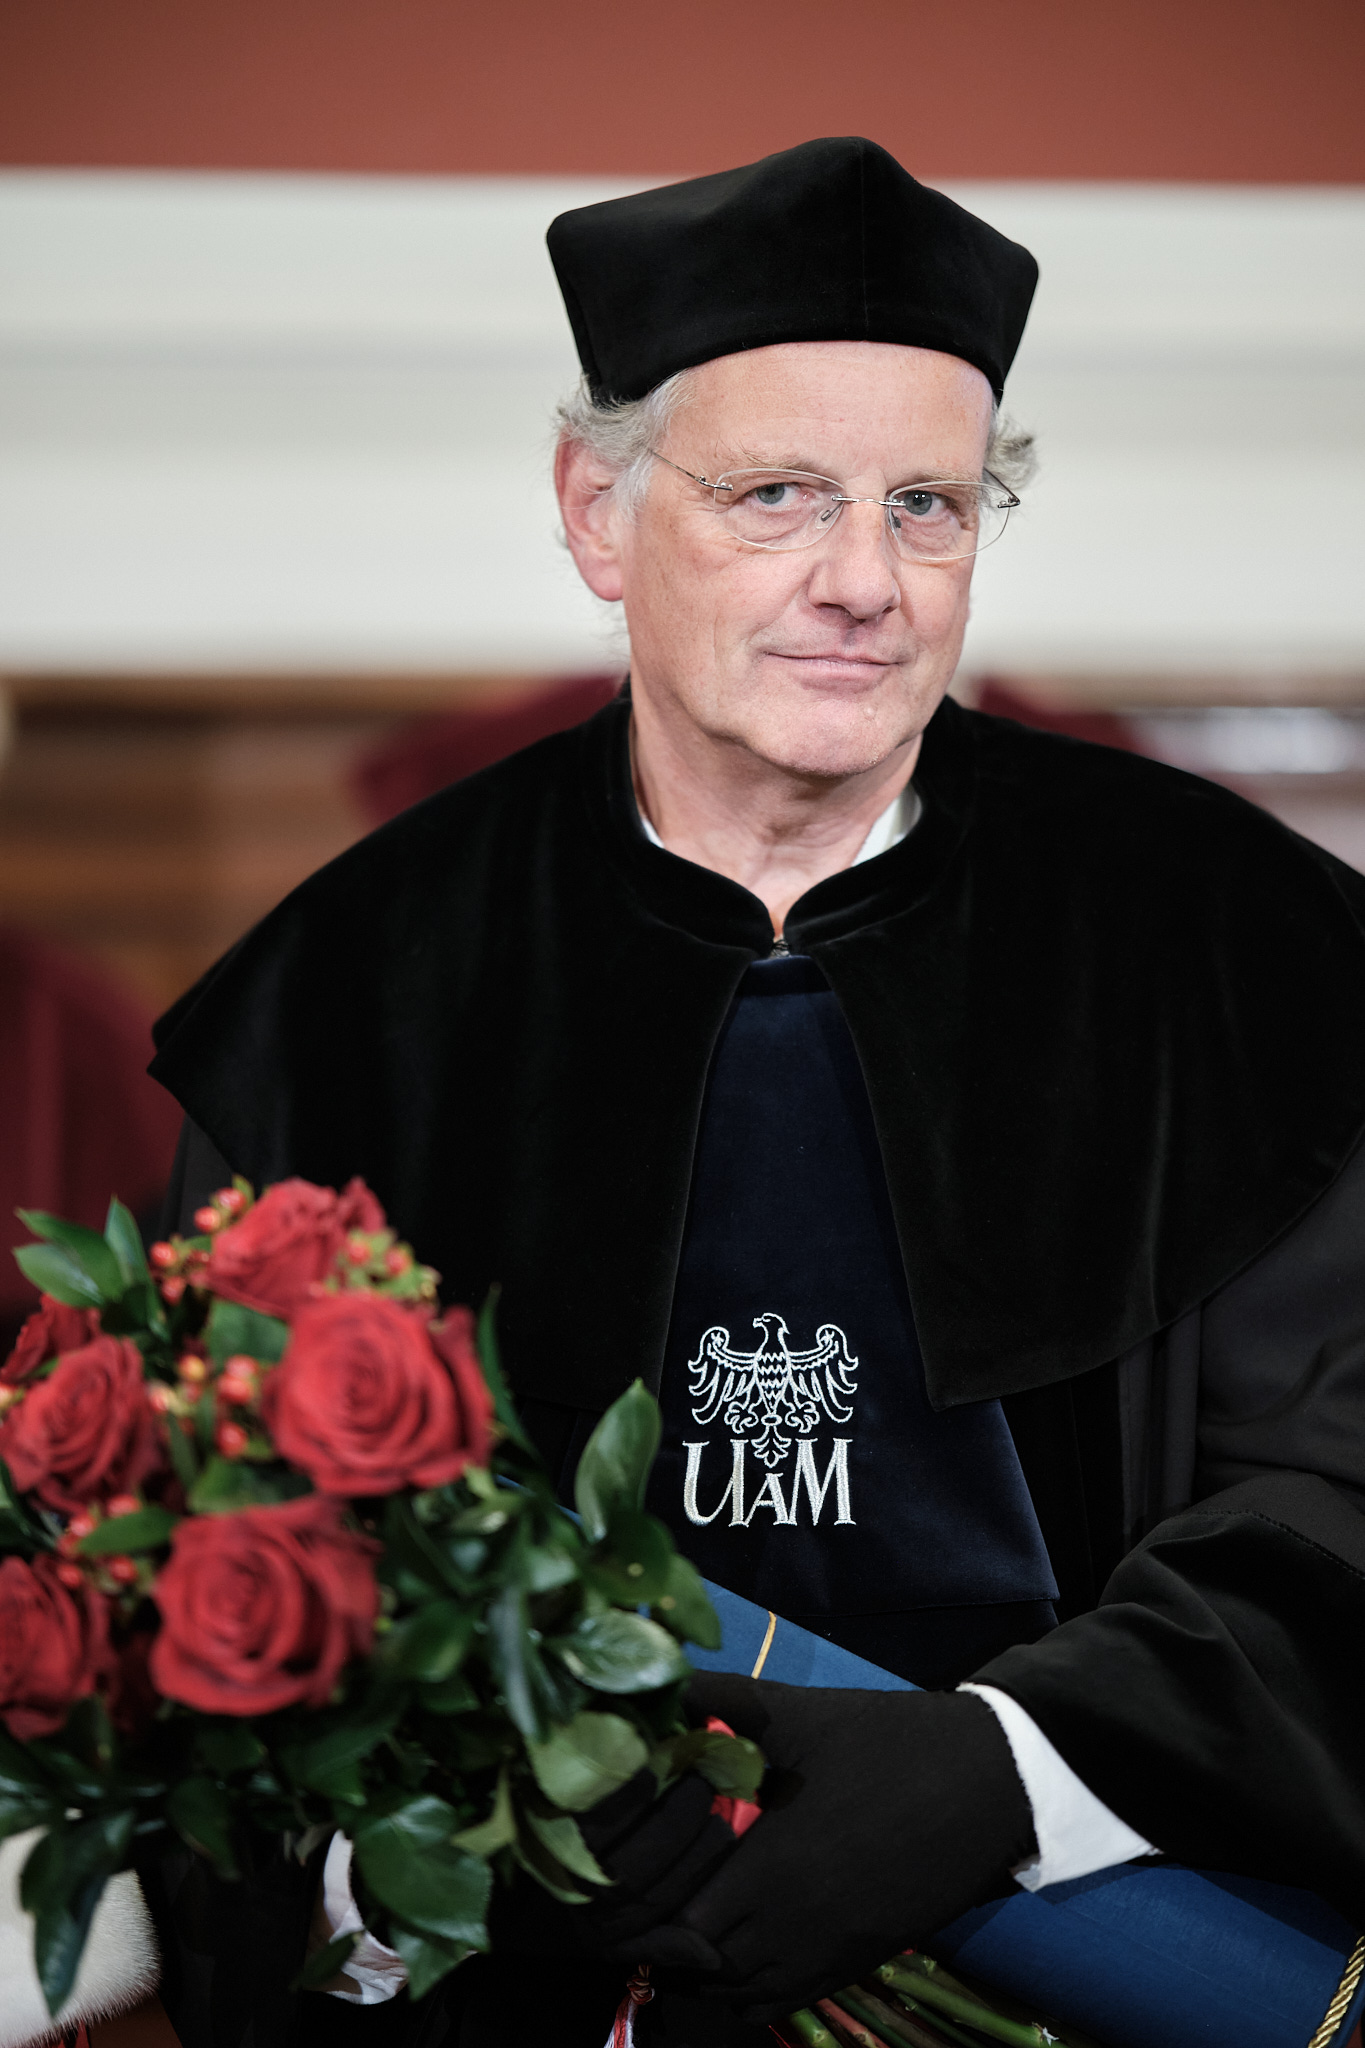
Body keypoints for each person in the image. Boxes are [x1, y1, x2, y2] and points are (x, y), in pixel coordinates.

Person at [145, 137, 1365, 2047]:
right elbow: (217, 1574)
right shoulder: (353, 988)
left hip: (1116, 1961)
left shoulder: (1252, 949)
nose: (863, 583)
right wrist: (429, 1846)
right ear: (595, 513)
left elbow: (1346, 1477)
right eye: (778, 495)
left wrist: (999, 1773)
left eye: (928, 507)